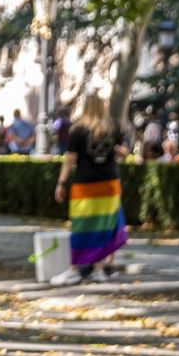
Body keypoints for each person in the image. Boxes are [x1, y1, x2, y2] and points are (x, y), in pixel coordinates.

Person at [51, 93, 130, 285]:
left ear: (85, 107)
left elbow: (70, 159)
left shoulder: (78, 130)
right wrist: (119, 152)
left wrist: (61, 183)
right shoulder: (113, 127)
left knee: (81, 227)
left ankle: (74, 270)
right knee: (104, 227)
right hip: (109, 184)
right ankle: (99, 270)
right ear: (103, 107)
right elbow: (125, 152)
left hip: (85, 185)